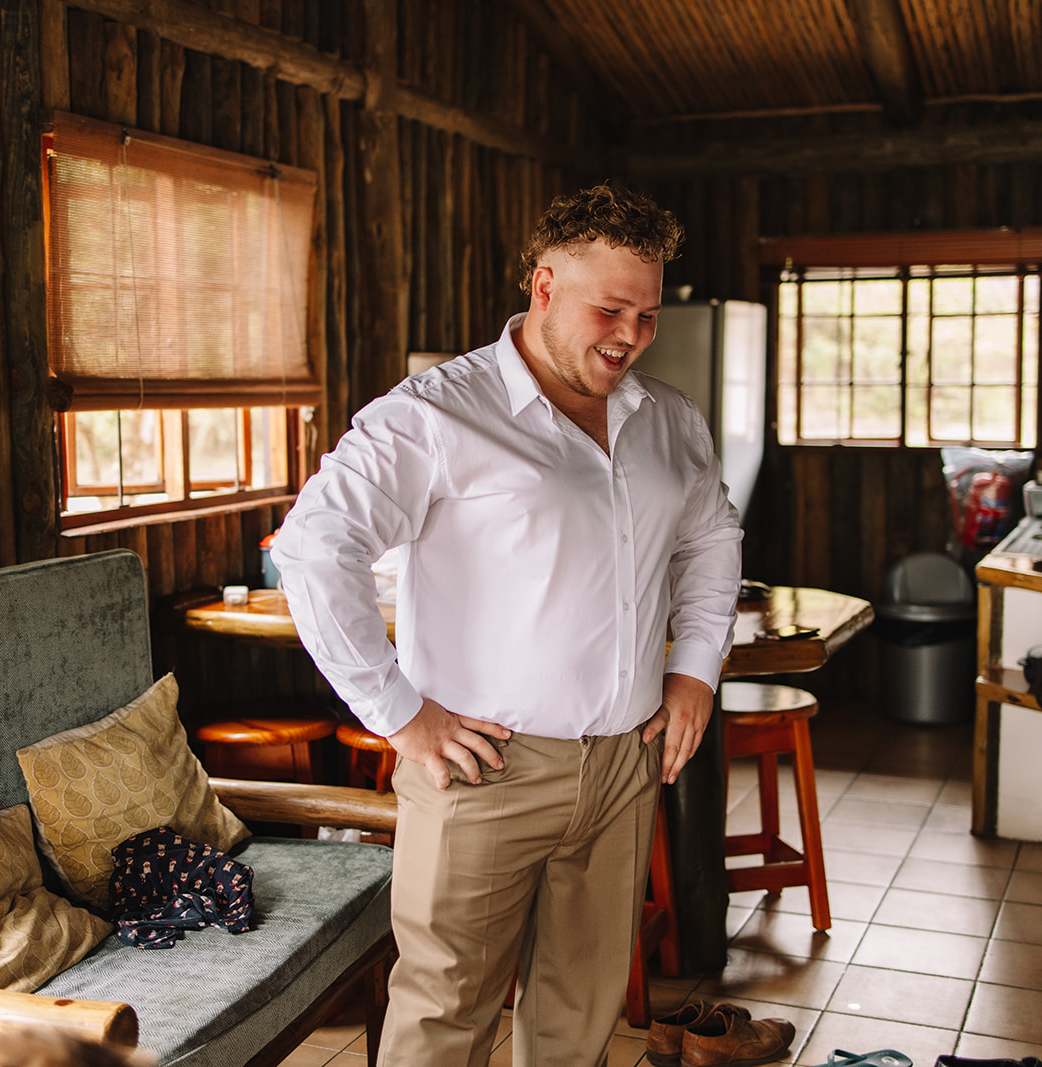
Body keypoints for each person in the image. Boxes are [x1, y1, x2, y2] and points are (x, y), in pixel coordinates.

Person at [271, 184, 744, 1066]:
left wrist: (696, 668)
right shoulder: (435, 413)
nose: (630, 336)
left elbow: (713, 535)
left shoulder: (668, 420)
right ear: (544, 285)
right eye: (611, 309)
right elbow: (314, 547)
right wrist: (399, 712)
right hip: (483, 766)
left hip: (622, 764)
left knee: (581, 1013)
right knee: (444, 1011)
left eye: (647, 316)